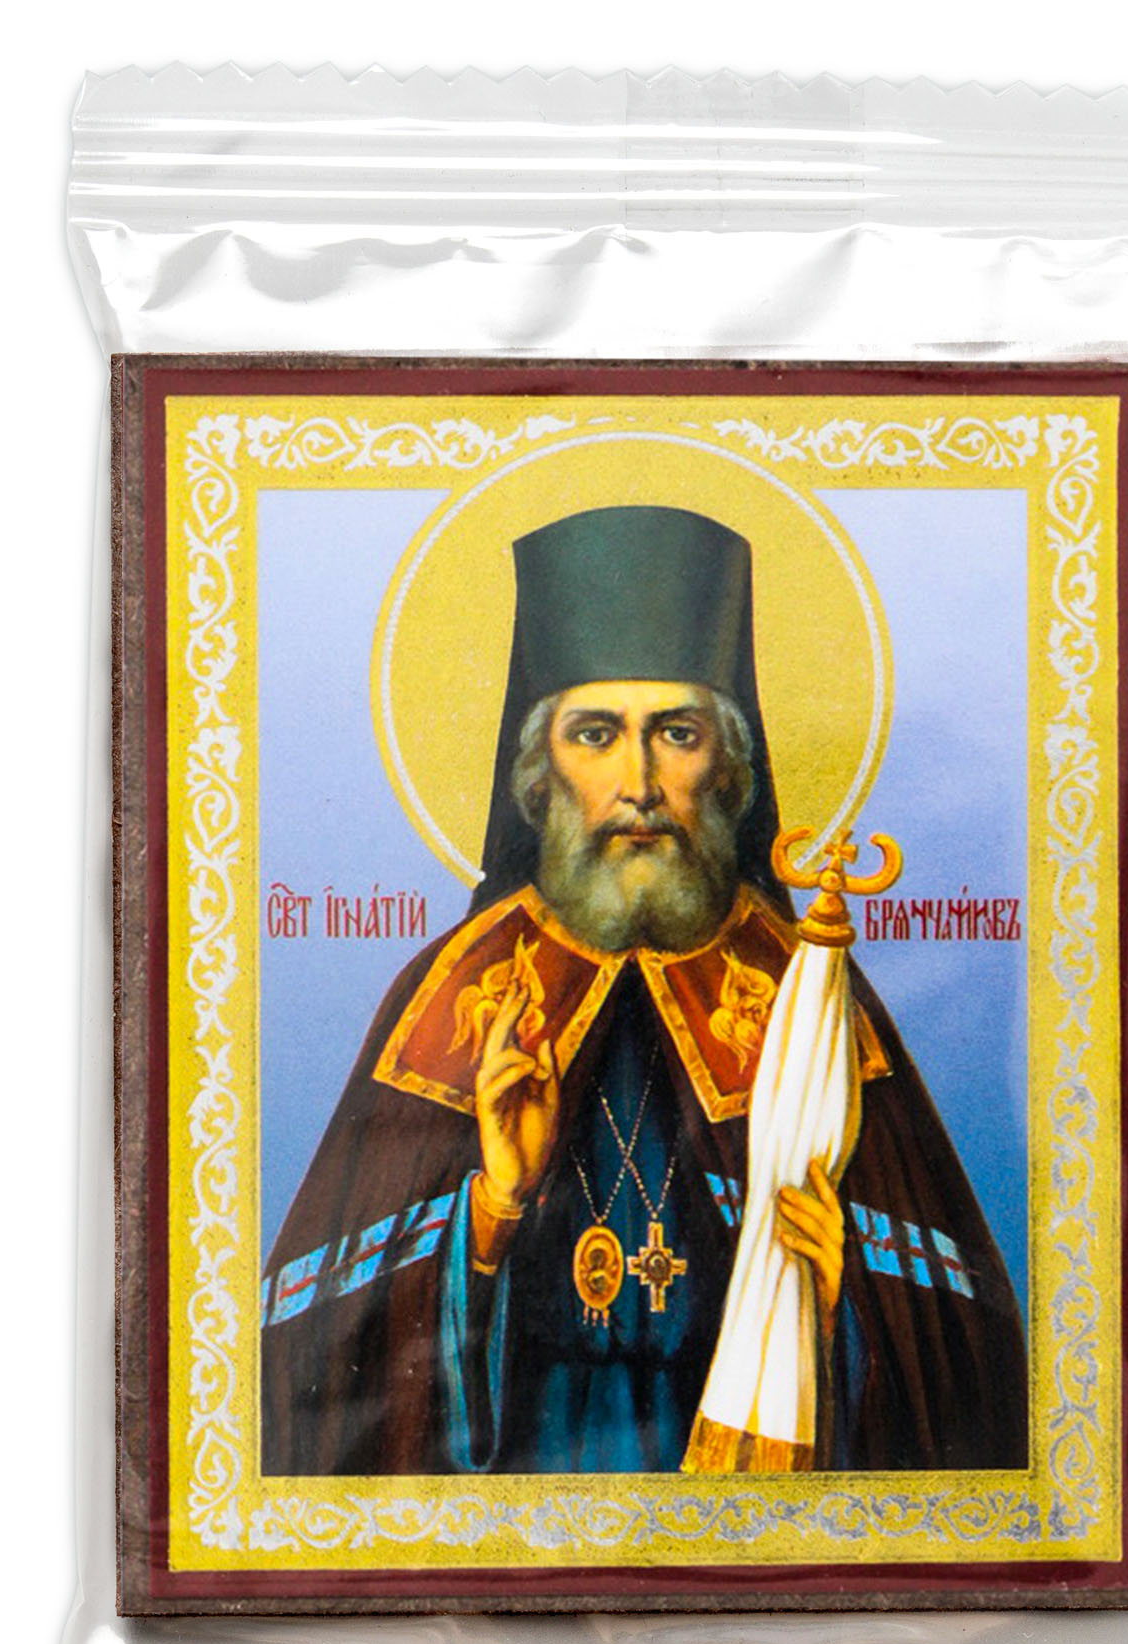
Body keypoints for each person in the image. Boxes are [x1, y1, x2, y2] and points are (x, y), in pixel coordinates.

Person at [261, 506, 1027, 1475]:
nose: (640, 783)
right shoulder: (463, 991)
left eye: (677, 733)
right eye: (596, 735)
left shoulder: (803, 996)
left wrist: (843, 1296)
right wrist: (492, 1209)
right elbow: (308, 1365)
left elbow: (964, 1359)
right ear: (538, 779)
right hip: (521, 1490)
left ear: (731, 774)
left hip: (744, 1494)